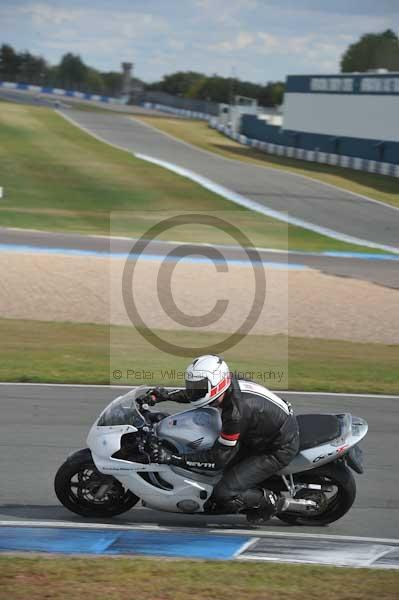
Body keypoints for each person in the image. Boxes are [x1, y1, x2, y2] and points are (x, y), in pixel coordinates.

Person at [149, 354, 299, 524]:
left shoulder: (235, 415)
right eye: (192, 385)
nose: (193, 390)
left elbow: (217, 459)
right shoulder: (226, 384)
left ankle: (270, 502)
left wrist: (172, 458)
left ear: (217, 385)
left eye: (197, 386)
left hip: (276, 447)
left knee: (223, 492)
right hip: (261, 430)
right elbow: (195, 394)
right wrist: (165, 396)